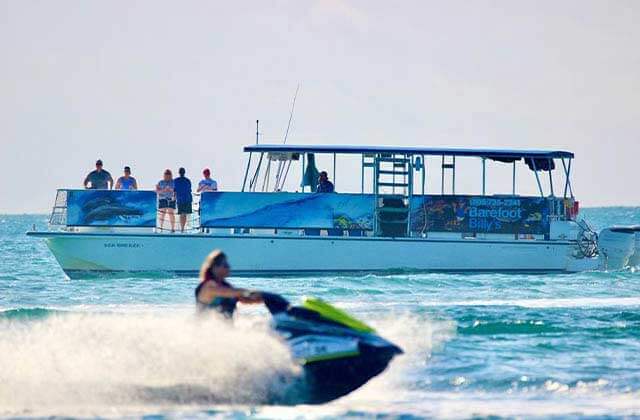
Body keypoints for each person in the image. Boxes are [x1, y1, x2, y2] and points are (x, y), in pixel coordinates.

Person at [194, 250, 263, 318]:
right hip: (207, 327)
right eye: (225, 265)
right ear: (214, 268)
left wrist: (264, 299)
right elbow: (229, 292)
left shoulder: (226, 286)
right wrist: (254, 293)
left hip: (224, 327)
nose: (229, 267)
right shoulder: (208, 287)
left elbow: (245, 299)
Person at [174, 167, 192, 232]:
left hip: (181, 199)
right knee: (184, 214)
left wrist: (174, 198)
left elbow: (174, 191)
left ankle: (182, 228)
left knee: (182, 214)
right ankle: (183, 228)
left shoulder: (175, 180)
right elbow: (189, 190)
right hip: (187, 198)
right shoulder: (188, 180)